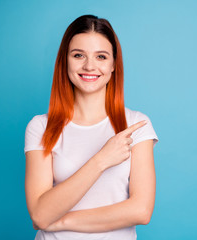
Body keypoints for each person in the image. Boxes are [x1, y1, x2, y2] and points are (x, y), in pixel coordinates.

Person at [24, 15, 158, 240]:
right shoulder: (41, 126)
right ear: (64, 60)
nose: (89, 66)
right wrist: (101, 160)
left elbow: (141, 211)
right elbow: (40, 215)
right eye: (78, 55)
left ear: (114, 64)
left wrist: (63, 221)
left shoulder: (136, 125)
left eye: (101, 56)